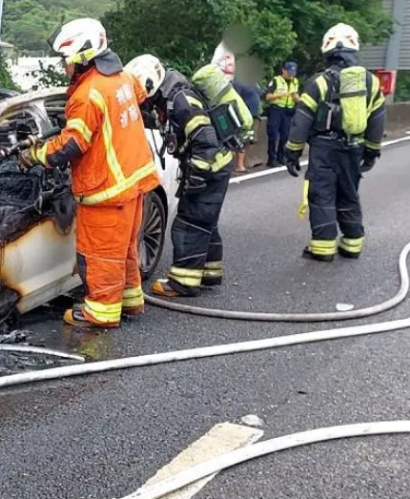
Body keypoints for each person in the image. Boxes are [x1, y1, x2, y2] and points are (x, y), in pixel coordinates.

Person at [18, 18, 161, 329]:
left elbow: (72, 145)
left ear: (82, 57)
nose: (63, 66)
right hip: (134, 181)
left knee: (100, 255)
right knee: (123, 250)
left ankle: (102, 312)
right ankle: (130, 299)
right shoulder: (120, 77)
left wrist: (35, 156)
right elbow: (138, 96)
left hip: (107, 189)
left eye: (65, 60)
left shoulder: (87, 94)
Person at [125, 54, 236, 297]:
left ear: (149, 83)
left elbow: (205, 140)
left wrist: (196, 176)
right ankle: (209, 271)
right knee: (206, 221)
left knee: (189, 223)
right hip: (217, 165)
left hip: (210, 167)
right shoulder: (170, 97)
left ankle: (183, 282)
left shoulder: (181, 100)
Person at [285, 23, 386, 261]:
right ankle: (352, 244)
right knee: (349, 193)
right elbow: (378, 120)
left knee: (322, 195)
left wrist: (293, 152)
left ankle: (322, 248)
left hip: (324, 148)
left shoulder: (320, 82)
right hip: (354, 148)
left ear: (328, 49)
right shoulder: (371, 83)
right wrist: (371, 152)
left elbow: (302, 120)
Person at [265, 61, 300, 167]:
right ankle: (272, 159)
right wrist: (281, 95)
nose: (291, 74)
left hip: (288, 111)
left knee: (285, 136)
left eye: (293, 72)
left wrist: (296, 98)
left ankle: (281, 157)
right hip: (276, 110)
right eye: (289, 72)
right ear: (283, 70)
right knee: (273, 135)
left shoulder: (295, 81)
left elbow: (297, 97)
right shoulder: (276, 80)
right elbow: (268, 97)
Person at [232, 80, 263, 172]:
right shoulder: (238, 83)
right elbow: (235, 98)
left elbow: (260, 95)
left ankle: (243, 162)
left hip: (254, 115)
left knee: (250, 140)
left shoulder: (255, 84)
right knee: (242, 139)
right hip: (244, 115)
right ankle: (239, 165)